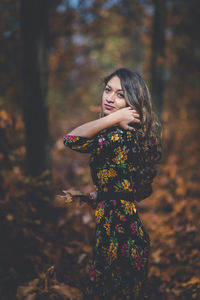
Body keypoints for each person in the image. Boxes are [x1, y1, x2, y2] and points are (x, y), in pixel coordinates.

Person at [63, 68, 162, 300]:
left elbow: (70, 139)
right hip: (122, 229)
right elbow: (131, 187)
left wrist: (113, 118)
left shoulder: (116, 135)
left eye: (120, 94)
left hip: (120, 234)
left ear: (132, 103)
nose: (109, 98)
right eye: (108, 90)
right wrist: (104, 194)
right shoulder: (124, 135)